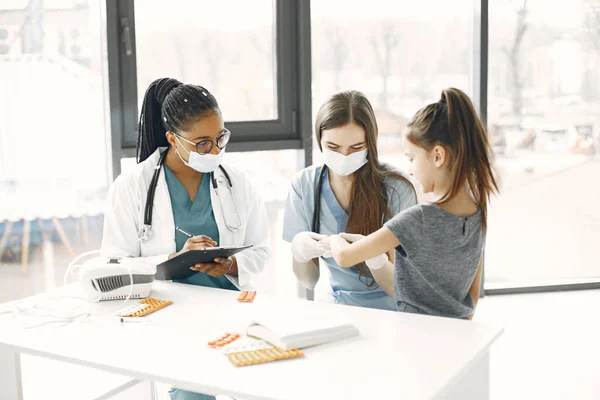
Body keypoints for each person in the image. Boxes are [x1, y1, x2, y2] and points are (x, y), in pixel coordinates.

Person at [100, 78, 271, 400]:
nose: (216, 150)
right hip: (170, 316)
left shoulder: (238, 182)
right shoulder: (133, 186)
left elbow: (262, 250)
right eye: (202, 143)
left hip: (232, 312)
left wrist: (232, 264)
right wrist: (173, 259)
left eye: (221, 138)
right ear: (172, 138)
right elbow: (112, 263)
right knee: (191, 394)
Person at [326, 88, 498, 320]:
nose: (409, 169)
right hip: (460, 335)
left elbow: (345, 257)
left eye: (411, 158)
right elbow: (472, 296)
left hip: (414, 338)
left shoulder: (418, 219)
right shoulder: (479, 213)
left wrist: (334, 239)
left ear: (438, 156)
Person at [282, 90, 416, 310]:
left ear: (370, 143)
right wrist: (300, 252)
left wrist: (375, 259)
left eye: (356, 148)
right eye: (333, 148)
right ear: (319, 141)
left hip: (392, 311)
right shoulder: (304, 186)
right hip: (337, 307)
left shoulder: (397, 189)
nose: (344, 156)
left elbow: (401, 287)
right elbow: (309, 281)